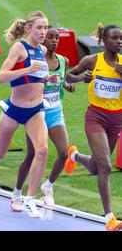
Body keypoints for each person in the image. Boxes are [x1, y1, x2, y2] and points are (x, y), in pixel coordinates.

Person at [0, 11, 59, 218]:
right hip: (14, 109)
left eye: (45, 28)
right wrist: (26, 70)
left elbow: (38, 76)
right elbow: (1, 77)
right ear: (28, 29)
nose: (43, 32)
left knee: (42, 150)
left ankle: (29, 199)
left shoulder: (42, 49)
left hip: (35, 110)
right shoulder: (19, 48)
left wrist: (48, 78)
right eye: (39, 28)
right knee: (0, 152)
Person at [64, 23, 122, 231]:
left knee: (98, 168)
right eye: (114, 38)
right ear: (104, 41)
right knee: (106, 165)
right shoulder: (92, 60)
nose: (119, 42)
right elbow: (67, 76)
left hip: (116, 120)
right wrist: (81, 78)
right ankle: (110, 218)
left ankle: (74, 156)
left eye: (121, 39)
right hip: (96, 117)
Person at [10, 26, 75, 211]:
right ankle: (16, 194)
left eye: (57, 38)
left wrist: (66, 85)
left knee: (64, 152)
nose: (54, 41)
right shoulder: (35, 61)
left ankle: (48, 186)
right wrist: (42, 81)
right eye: (50, 37)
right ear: (42, 40)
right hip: (36, 112)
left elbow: (61, 79)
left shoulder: (63, 61)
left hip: (55, 111)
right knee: (32, 156)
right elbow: (25, 82)